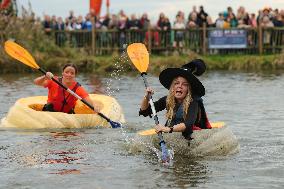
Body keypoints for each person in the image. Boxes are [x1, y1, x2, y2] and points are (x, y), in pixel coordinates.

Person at [139, 59, 211, 140]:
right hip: (172, 132)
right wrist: (147, 98)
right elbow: (144, 111)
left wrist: (169, 129)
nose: (179, 86)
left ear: (189, 89)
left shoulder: (193, 102)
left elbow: (188, 124)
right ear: (172, 87)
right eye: (176, 83)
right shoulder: (167, 100)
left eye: (184, 84)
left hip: (192, 134)